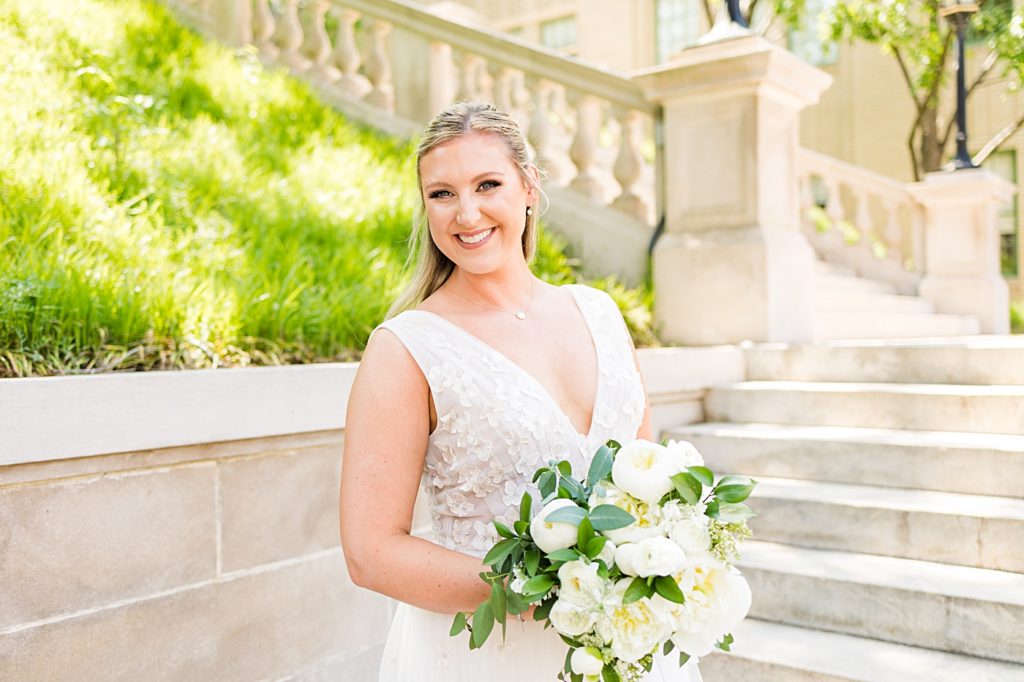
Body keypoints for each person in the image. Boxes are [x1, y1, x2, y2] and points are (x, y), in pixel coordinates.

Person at [339, 101, 702, 681]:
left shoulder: (600, 314)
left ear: (529, 186)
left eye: (488, 184)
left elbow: (648, 479)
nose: (467, 213)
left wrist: (658, 559)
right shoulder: (406, 349)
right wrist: (554, 589)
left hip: (627, 645)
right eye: (442, 194)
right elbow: (370, 551)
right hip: (491, 655)